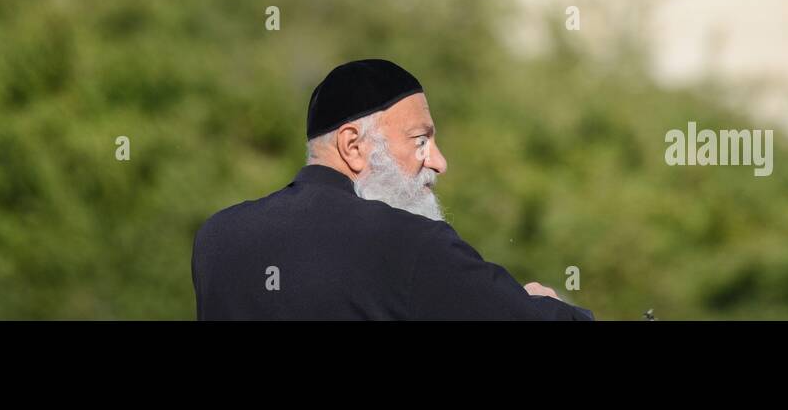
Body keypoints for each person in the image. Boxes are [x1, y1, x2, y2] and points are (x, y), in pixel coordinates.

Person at [192, 58, 594, 320]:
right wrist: (547, 307)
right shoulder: (406, 242)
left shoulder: (217, 239)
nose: (439, 161)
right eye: (420, 139)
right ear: (353, 146)